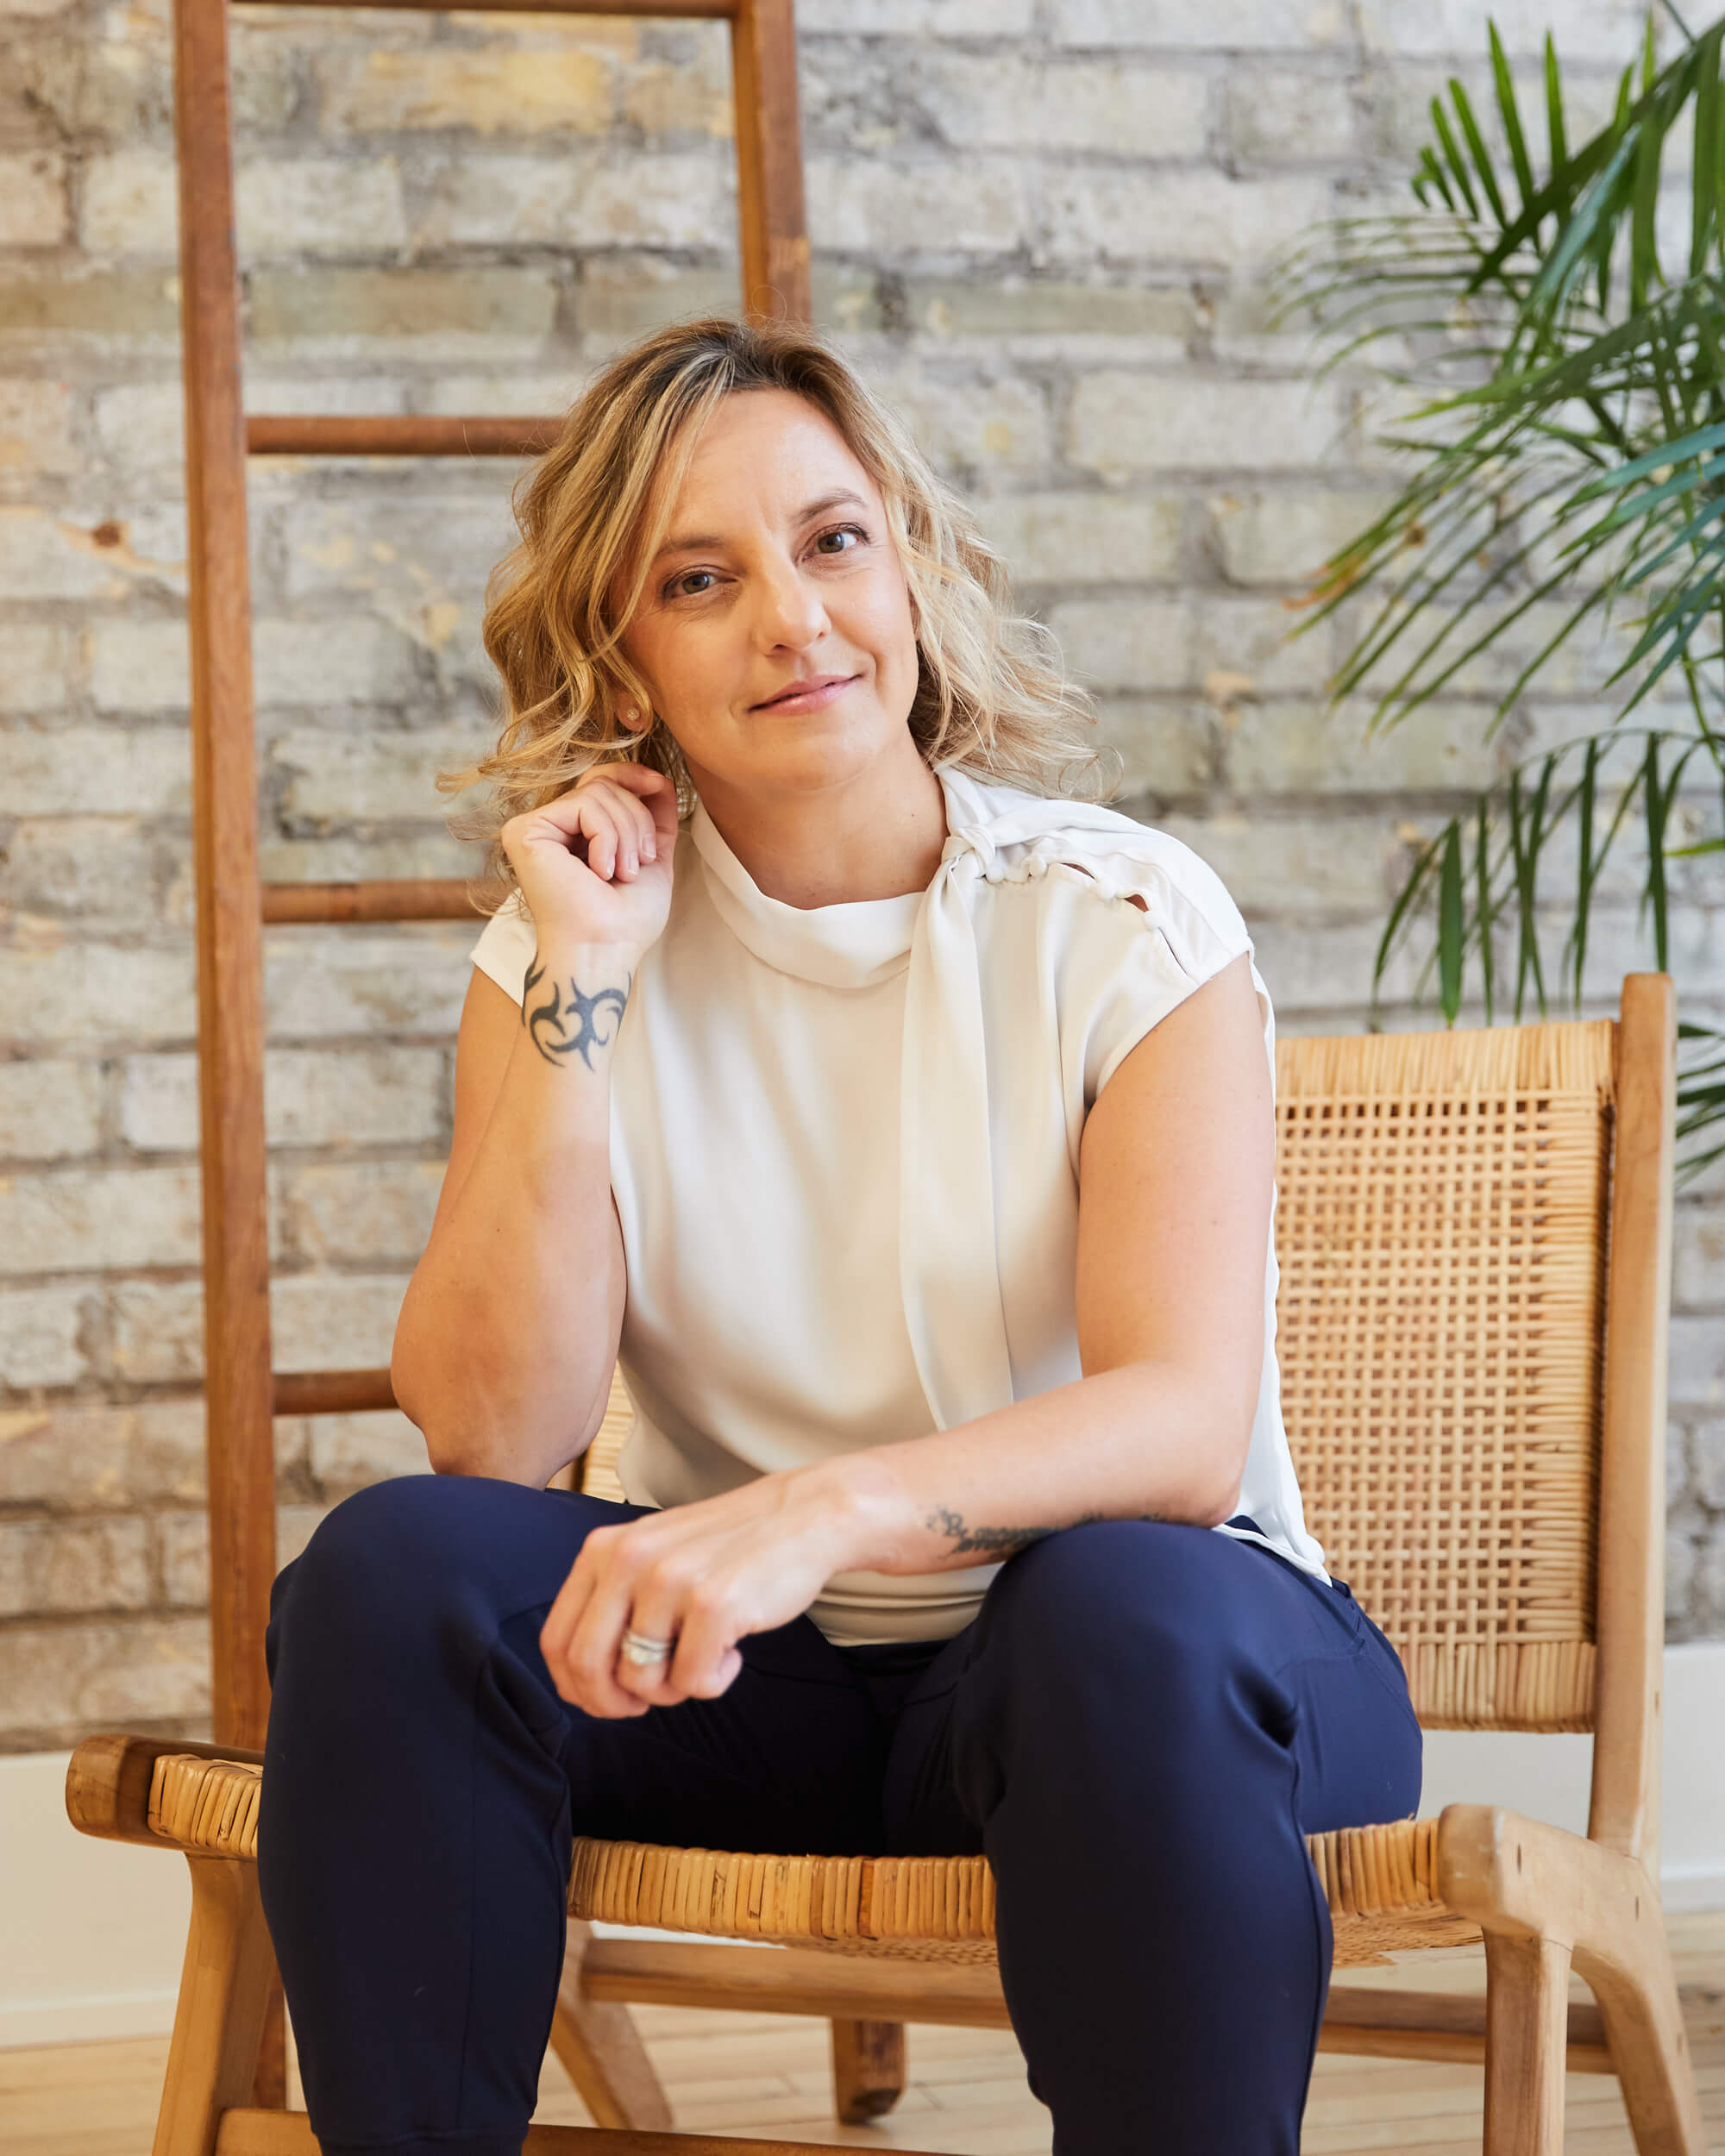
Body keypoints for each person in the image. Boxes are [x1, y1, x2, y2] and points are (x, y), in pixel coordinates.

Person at [257, 317, 1422, 2156]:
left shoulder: (1118, 919)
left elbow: (1182, 1429)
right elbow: (489, 1427)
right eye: (699, 578)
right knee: (394, 1569)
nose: (793, 618)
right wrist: (584, 989)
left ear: (906, 567)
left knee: (1107, 1603)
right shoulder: (562, 957)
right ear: (620, 653)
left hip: (1167, 1682)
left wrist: (812, 1510)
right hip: (760, 1705)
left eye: (831, 541)